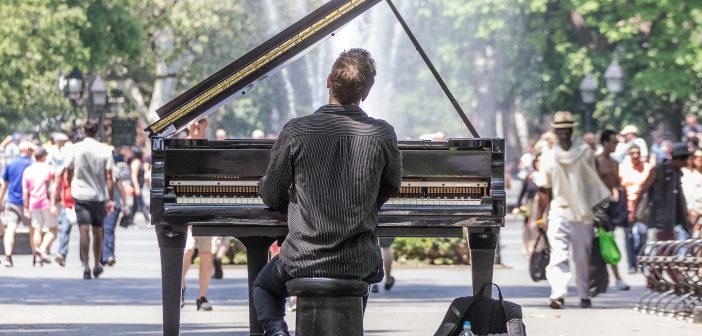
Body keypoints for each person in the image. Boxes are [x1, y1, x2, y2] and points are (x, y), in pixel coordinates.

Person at [252, 48, 402, 336]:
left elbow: (271, 195)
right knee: (362, 277)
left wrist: (293, 200)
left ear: (328, 81)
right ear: (367, 93)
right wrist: (365, 203)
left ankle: (276, 331)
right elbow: (392, 184)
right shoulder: (381, 133)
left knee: (264, 286)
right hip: (359, 259)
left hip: (302, 257)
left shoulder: (297, 130)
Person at [534, 111, 611, 309]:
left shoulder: (585, 152)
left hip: (583, 213)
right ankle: (557, 294)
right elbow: (544, 189)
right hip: (559, 210)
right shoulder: (549, 156)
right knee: (558, 255)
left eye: (567, 129)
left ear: (572, 129)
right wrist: (540, 217)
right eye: (560, 129)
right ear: (555, 131)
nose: (564, 133)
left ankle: (584, 294)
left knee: (582, 258)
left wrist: (597, 211)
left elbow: (593, 183)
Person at [65, 120, 115, 279]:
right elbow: (109, 177)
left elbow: (69, 170)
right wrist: (111, 197)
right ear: (96, 131)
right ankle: (96, 264)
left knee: (83, 231)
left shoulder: (76, 148)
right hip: (98, 196)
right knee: (98, 231)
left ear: (83, 131)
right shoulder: (105, 150)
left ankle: (86, 265)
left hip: (81, 195)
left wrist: (71, 184)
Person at [181, 117, 221, 311]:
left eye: (201, 121)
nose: (196, 125)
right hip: (185, 207)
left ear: (206, 124)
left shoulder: (210, 147)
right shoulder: (179, 147)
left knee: (206, 254)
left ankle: (202, 297)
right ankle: (180, 288)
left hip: (206, 206)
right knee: (187, 251)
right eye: (193, 122)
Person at [594, 130, 630, 291]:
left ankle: (615, 278)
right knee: (598, 242)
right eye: (614, 142)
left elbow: (616, 184)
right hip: (596, 207)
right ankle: (601, 278)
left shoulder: (615, 162)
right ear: (605, 142)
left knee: (608, 240)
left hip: (611, 207)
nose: (616, 145)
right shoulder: (596, 161)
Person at [638, 143, 691, 241]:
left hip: (671, 222)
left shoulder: (676, 173)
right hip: (658, 220)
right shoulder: (659, 170)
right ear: (680, 159)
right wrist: (635, 209)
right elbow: (643, 189)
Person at [619, 144, 653, 273]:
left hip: (643, 207)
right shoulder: (622, 168)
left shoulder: (647, 168)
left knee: (643, 235)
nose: (635, 155)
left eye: (637, 153)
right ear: (629, 155)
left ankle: (641, 261)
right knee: (629, 236)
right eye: (632, 153)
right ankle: (631, 264)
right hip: (627, 205)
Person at [0, 141, 34, 267]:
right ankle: (37, 257)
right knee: (33, 229)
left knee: (10, 228)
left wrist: (0, 200)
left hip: (12, 201)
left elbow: (4, 185)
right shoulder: (31, 164)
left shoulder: (11, 164)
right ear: (28, 150)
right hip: (28, 203)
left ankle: (8, 257)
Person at [21, 148, 58, 266]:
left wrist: (26, 207)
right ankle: (42, 249)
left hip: (34, 202)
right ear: (43, 157)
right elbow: (53, 188)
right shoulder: (49, 169)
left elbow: (25, 190)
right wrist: (53, 204)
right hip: (46, 202)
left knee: (37, 228)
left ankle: (37, 257)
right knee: (53, 230)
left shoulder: (28, 170)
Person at [101, 152, 130, 266]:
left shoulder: (115, 171)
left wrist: (125, 205)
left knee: (108, 229)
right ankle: (103, 255)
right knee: (102, 230)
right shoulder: (97, 170)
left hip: (114, 205)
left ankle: (108, 255)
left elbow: (121, 189)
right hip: (100, 203)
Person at [513, 152, 542, 257]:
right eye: (537, 161)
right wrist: (517, 206)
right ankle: (530, 248)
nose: (539, 163)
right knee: (529, 227)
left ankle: (540, 248)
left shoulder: (547, 176)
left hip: (544, 207)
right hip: (531, 205)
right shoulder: (529, 177)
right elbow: (522, 192)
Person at [682, 149, 702, 239]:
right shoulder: (688, 175)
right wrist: (690, 212)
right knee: (695, 241)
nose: (699, 159)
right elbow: (686, 196)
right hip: (693, 214)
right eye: (697, 157)